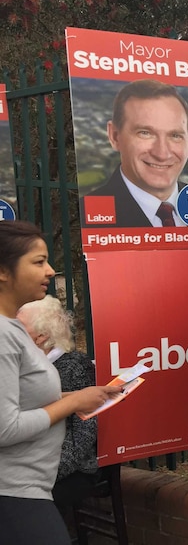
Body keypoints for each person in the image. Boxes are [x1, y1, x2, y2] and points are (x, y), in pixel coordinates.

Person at [0, 220, 121, 544]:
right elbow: (4, 428)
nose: (51, 271)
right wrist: (74, 402)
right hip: (13, 492)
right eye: (38, 262)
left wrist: (80, 394)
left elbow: (21, 396)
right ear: (3, 271)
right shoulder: (3, 334)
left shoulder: (11, 329)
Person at [17, 295, 99, 511]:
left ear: (40, 336)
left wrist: (43, 472)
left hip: (69, 470)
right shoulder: (25, 364)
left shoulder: (74, 367)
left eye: (19, 326)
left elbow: (83, 435)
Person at [86, 79, 188, 227]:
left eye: (175, 136)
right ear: (114, 136)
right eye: (145, 133)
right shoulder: (89, 216)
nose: (162, 153)